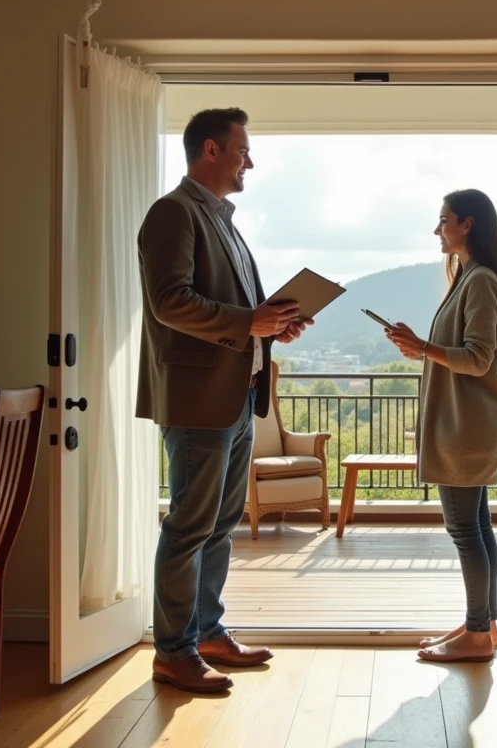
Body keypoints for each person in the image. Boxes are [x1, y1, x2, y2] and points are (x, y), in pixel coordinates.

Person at [137, 108, 310, 693]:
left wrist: (270, 326)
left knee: (219, 522)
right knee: (189, 524)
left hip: (235, 398)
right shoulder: (172, 213)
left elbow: (236, 315)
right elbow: (170, 301)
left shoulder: (225, 222)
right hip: (197, 399)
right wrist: (249, 321)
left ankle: (207, 633)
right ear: (210, 150)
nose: (250, 162)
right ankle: (173, 651)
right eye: (243, 150)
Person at [385, 188, 497, 663]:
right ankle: (479, 626)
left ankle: (479, 634)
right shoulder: (470, 278)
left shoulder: (480, 281)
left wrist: (422, 348)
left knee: (466, 530)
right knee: (478, 528)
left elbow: (478, 358)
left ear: (466, 224)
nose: (436, 229)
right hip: (467, 425)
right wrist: (419, 347)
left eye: (443, 220)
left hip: (466, 429)